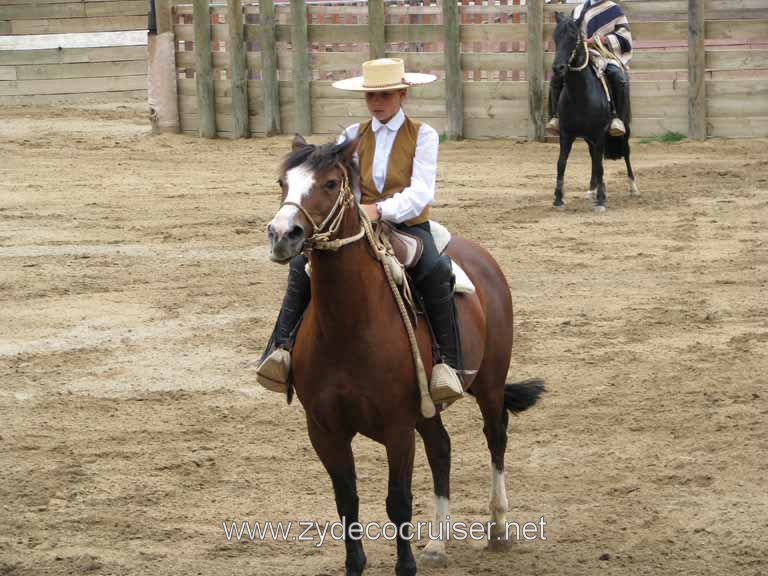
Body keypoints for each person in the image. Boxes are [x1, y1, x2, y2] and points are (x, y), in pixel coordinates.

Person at [257, 58, 464, 404]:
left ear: (401, 94)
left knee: (434, 269)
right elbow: (340, 186)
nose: (376, 102)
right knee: (301, 265)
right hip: (354, 226)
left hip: (407, 225)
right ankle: (280, 349)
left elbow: (421, 192)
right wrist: (350, 212)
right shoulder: (351, 136)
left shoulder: (423, 135)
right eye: (371, 95)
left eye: (384, 94)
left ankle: (447, 364)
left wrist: (378, 209)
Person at [547, 0, 633, 137]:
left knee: (618, 77)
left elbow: (625, 36)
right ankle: (555, 117)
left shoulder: (614, 9)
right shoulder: (578, 10)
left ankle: (617, 119)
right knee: (556, 78)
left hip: (605, 54)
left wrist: (602, 40)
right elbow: (570, 34)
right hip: (581, 55)